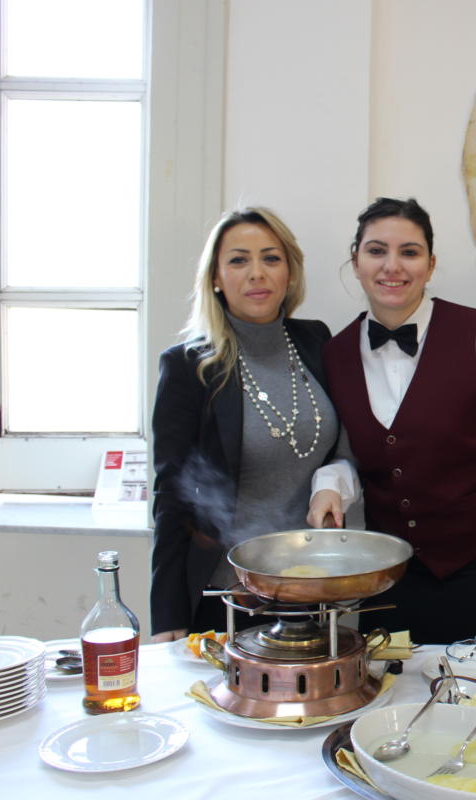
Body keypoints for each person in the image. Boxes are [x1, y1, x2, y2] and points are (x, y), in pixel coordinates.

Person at [308, 197, 476, 648]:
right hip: (390, 571)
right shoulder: (334, 354)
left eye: (409, 252)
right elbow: (348, 454)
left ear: (431, 264)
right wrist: (329, 487)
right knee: (394, 687)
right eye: (376, 251)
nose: (392, 266)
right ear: (356, 262)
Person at [150, 207, 342, 641]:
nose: (257, 272)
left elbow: (341, 449)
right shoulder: (188, 366)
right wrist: (168, 616)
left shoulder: (316, 340)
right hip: (230, 596)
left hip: (314, 589)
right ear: (216, 278)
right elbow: (171, 494)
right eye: (239, 260)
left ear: (290, 272)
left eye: (271, 258)